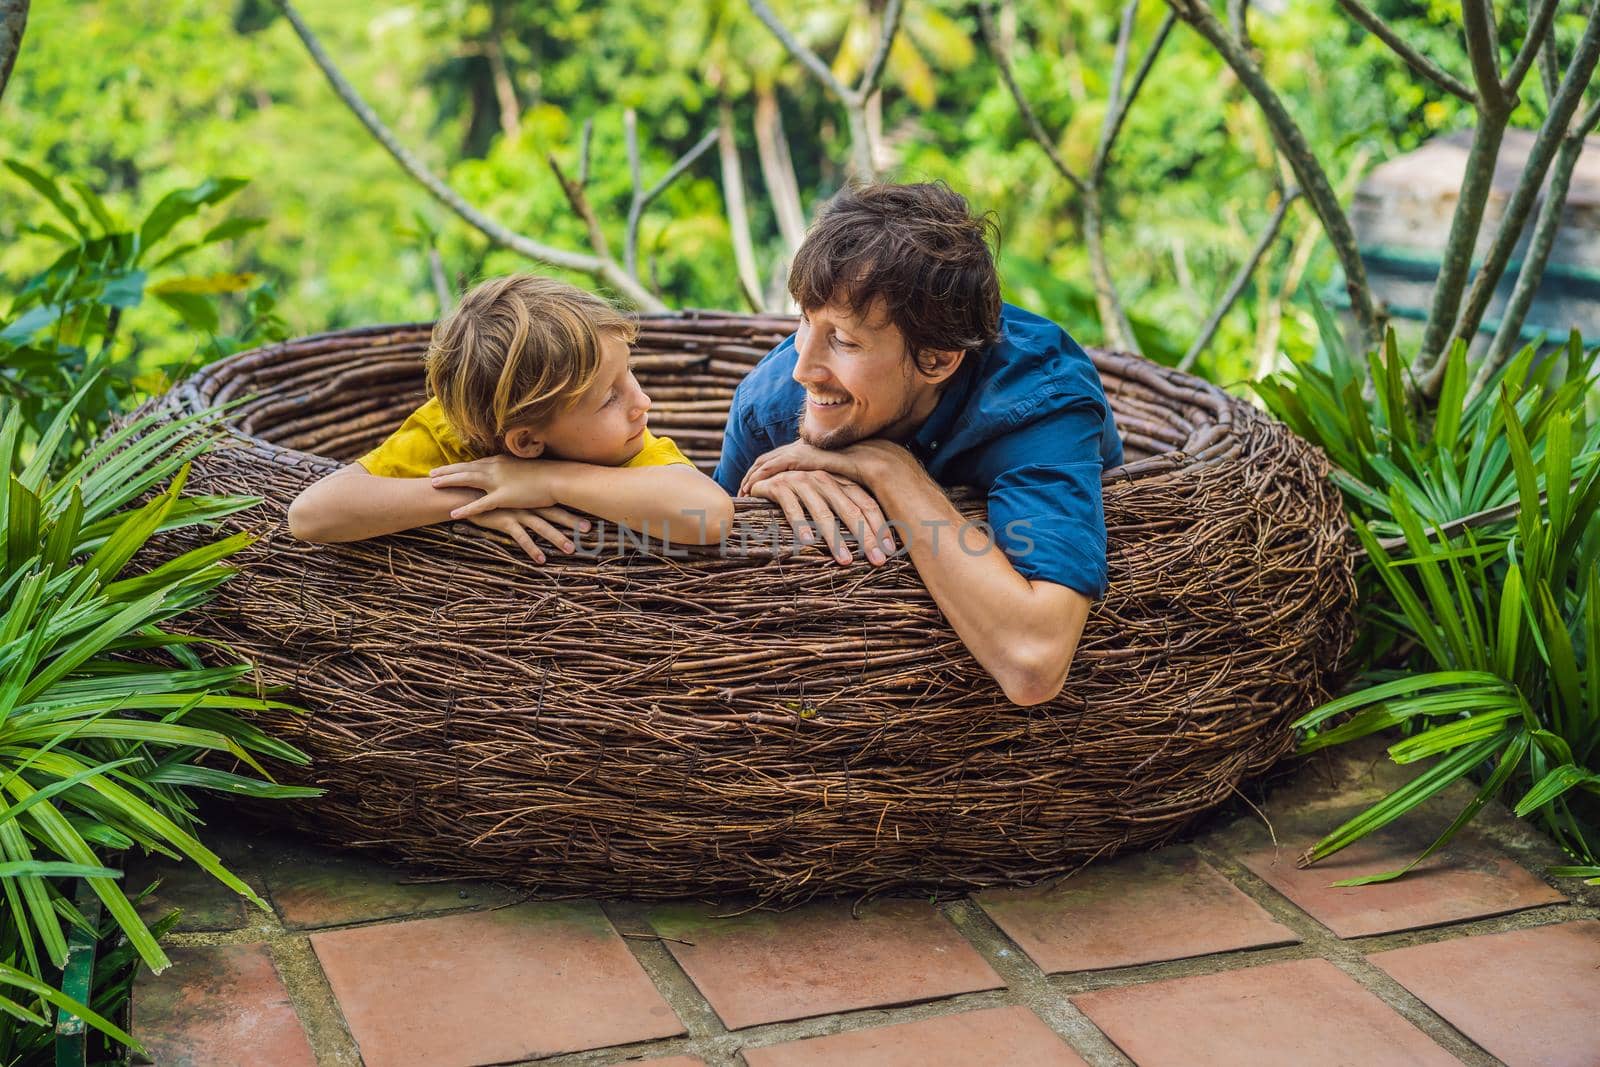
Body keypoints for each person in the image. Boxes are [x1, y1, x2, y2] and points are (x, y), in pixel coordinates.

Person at [714, 182, 1123, 706]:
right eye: (804, 322)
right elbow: (712, 577)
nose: (802, 369)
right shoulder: (770, 406)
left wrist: (890, 470)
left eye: (843, 340)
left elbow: (1034, 662)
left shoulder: (1040, 399)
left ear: (938, 359)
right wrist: (768, 488)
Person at [289, 274, 733, 559]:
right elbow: (311, 516)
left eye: (629, 374)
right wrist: (478, 499)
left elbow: (710, 515)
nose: (642, 402)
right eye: (608, 399)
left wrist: (547, 483)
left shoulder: (626, 450)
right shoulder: (450, 431)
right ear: (524, 442)